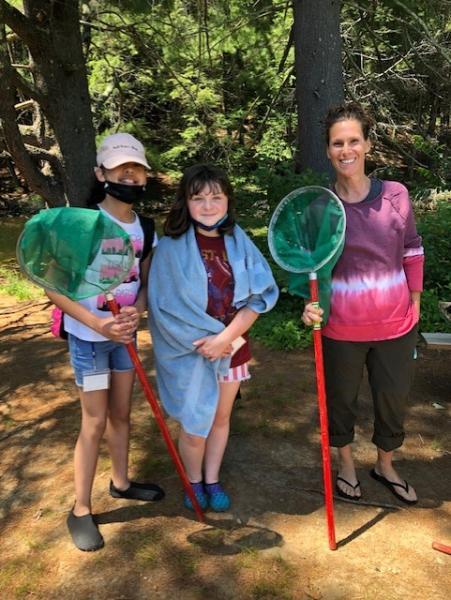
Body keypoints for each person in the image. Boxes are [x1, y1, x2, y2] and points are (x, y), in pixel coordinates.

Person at [46, 133, 165, 552]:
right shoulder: (82, 224)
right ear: (102, 173)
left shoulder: (146, 228)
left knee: (121, 416)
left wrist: (139, 312)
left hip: (124, 339)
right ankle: (80, 509)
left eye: (137, 168)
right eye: (120, 168)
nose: (129, 175)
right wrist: (97, 324)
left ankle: (121, 482)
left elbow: (146, 283)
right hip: (89, 341)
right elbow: (55, 289)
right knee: (94, 423)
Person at [302, 103, 424, 505]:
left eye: (354, 140)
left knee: (393, 399)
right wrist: (309, 304)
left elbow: (412, 249)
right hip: (341, 328)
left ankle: (385, 465)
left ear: (368, 144)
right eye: (338, 143)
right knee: (340, 401)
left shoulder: (394, 195)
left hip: (396, 325)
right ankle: (347, 466)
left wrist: (416, 300)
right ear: (328, 150)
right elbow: (310, 268)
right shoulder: (320, 206)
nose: (346, 149)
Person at [148, 164, 279, 512]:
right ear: (186, 203)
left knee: (220, 419)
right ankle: (192, 482)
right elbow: (162, 308)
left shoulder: (239, 242)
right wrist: (208, 342)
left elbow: (259, 297)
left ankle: (212, 479)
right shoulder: (171, 248)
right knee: (194, 425)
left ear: (227, 201)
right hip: (191, 353)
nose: (208, 206)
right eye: (199, 198)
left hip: (232, 349)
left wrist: (227, 338)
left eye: (216, 197)